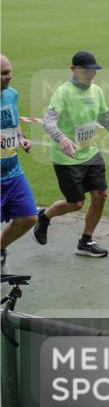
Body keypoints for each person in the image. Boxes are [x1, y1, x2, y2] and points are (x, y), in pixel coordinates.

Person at [34, 51, 109, 257]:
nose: (90, 75)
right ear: (73, 70)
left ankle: (86, 241)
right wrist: (61, 138)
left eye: (93, 71)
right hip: (67, 158)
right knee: (75, 203)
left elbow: (106, 118)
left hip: (91, 153)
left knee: (101, 195)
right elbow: (48, 121)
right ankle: (44, 216)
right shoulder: (63, 92)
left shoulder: (96, 91)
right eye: (86, 70)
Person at [1, 54, 38, 270]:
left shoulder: (11, 95)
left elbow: (14, 123)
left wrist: (21, 138)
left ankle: (1, 248)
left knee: (29, 217)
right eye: (4, 74)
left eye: (10, 72)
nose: (10, 77)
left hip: (12, 172)